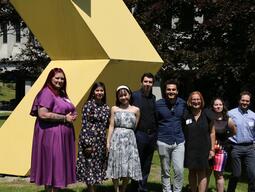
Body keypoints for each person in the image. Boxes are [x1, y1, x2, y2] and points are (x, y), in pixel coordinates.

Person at [30, 68, 77, 192]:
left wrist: (72, 115)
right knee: (53, 166)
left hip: (61, 136)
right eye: (57, 78)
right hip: (51, 136)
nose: (60, 80)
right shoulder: (46, 93)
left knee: (57, 167)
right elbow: (43, 114)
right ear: (50, 78)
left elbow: (66, 108)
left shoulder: (61, 94)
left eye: (62, 78)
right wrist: (64, 118)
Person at [106, 85, 142, 192]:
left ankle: (124, 189)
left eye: (125, 94)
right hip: (116, 139)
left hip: (130, 140)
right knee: (115, 164)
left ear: (129, 95)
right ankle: (116, 189)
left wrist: (128, 135)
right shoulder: (114, 109)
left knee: (128, 166)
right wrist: (108, 141)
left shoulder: (136, 110)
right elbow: (111, 125)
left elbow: (135, 126)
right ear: (117, 97)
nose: (123, 97)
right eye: (120, 95)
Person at [76, 82, 110, 192]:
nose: (100, 93)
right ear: (93, 92)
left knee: (97, 165)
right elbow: (85, 124)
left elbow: (107, 125)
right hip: (89, 140)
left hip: (101, 142)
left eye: (101, 90)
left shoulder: (106, 107)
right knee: (89, 165)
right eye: (97, 90)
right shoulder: (88, 105)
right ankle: (91, 189)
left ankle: (93, 188)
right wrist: (87, 144)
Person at [155, 79, 186, 192]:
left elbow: (185, 119)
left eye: (173, 89)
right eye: (168, 89)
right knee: (165, 171)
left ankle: (177, 190)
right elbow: (155, 122)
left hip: (179, 141)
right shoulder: (158, 104)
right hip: (163, 140)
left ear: (177, 91)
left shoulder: (182, 103)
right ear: (165, 91)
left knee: (179, 170)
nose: (171, 91)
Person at [183, 91, 215, 192]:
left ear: (201, 101)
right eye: (193, 99)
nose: (196, 101)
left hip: (204, 148)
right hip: (189, 148)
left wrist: (212, 149)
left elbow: (212, 133)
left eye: (198, 99)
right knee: (192, 171)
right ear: (190, 101)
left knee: (202, 172)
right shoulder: (186, 114)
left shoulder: (207, 114)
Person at [132, 72, 157, 192]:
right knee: (137, 162)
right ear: (141, 82)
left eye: (150, 82)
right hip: (139, 134)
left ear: (153, 84)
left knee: (147, 163)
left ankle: (143, 187)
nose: (148, 84)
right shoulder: (134, 96)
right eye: (146, 81)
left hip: (152, 135)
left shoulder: (153, 98)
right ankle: (134, 186)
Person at [227, 91, 255, 192]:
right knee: (236, 174)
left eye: (247, 101)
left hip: (250, 148)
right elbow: (224, 129)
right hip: (235, 147)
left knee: (253, 174)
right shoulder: (230, 113)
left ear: (250, 102)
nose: (245, 102)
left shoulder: (253, 115)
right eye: (243, 100)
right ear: (239, 100)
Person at [207, 97, 236, 192]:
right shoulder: (208, 118)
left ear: (223, 106)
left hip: (221, 151)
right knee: (207, 173)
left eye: (220, 104)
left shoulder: (228, 119)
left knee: (219, 174)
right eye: (216, 104)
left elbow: (234, 131)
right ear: (212, 106)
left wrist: (224, 141)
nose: (218, 106)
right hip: (208, 150)